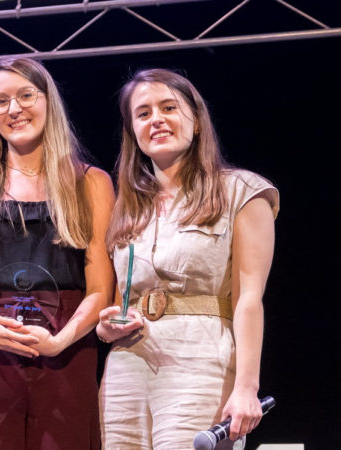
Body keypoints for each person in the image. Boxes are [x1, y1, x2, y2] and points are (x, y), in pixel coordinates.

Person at [96, 68, 278, 449]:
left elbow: (249, 299)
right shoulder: (127, 209)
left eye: (168, 107)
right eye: (143, 113)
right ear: (133, 131)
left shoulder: (241, 191)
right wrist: (107, 328)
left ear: (196, 122)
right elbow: (120, 299)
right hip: (127, 366)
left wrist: (247, 386)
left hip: (200, 360)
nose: (156, 120)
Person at [0, 57, 113, 450]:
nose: (14, 109)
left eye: (25, 95)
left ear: (48, 101)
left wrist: (60, 340)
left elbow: (101, 288)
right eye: (0, 101)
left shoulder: (90, 183)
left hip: (66, 348)